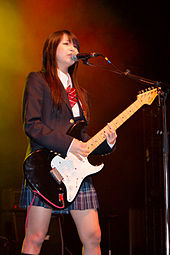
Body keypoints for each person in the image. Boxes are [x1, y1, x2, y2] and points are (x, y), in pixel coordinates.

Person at [20, 30, 117, 255]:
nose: (74, 49)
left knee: (93, 237)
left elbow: (82, 138)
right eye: (67, 44)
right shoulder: (38, 80)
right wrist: (69, 145)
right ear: (51, 50)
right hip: (46, 167)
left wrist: (107, 143)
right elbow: (32, 125)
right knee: (35, 237)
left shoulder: (79, 92)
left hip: (77, 170)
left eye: (75, 45)